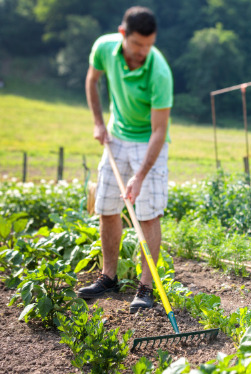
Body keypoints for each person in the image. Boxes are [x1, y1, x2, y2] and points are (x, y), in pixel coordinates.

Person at [76, 6, 173, 314]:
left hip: (148, 141)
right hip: (116, 135)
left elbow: (159, 131)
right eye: (138, 45)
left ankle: (145, 288)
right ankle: (109, 278)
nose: (144, 52)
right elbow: (92, 80)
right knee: (106, 207)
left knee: (147, 215)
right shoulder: (104, 48)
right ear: (123, 35)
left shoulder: (159, 71)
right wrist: (98, 122)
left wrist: (140, 175)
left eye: (149, 45)